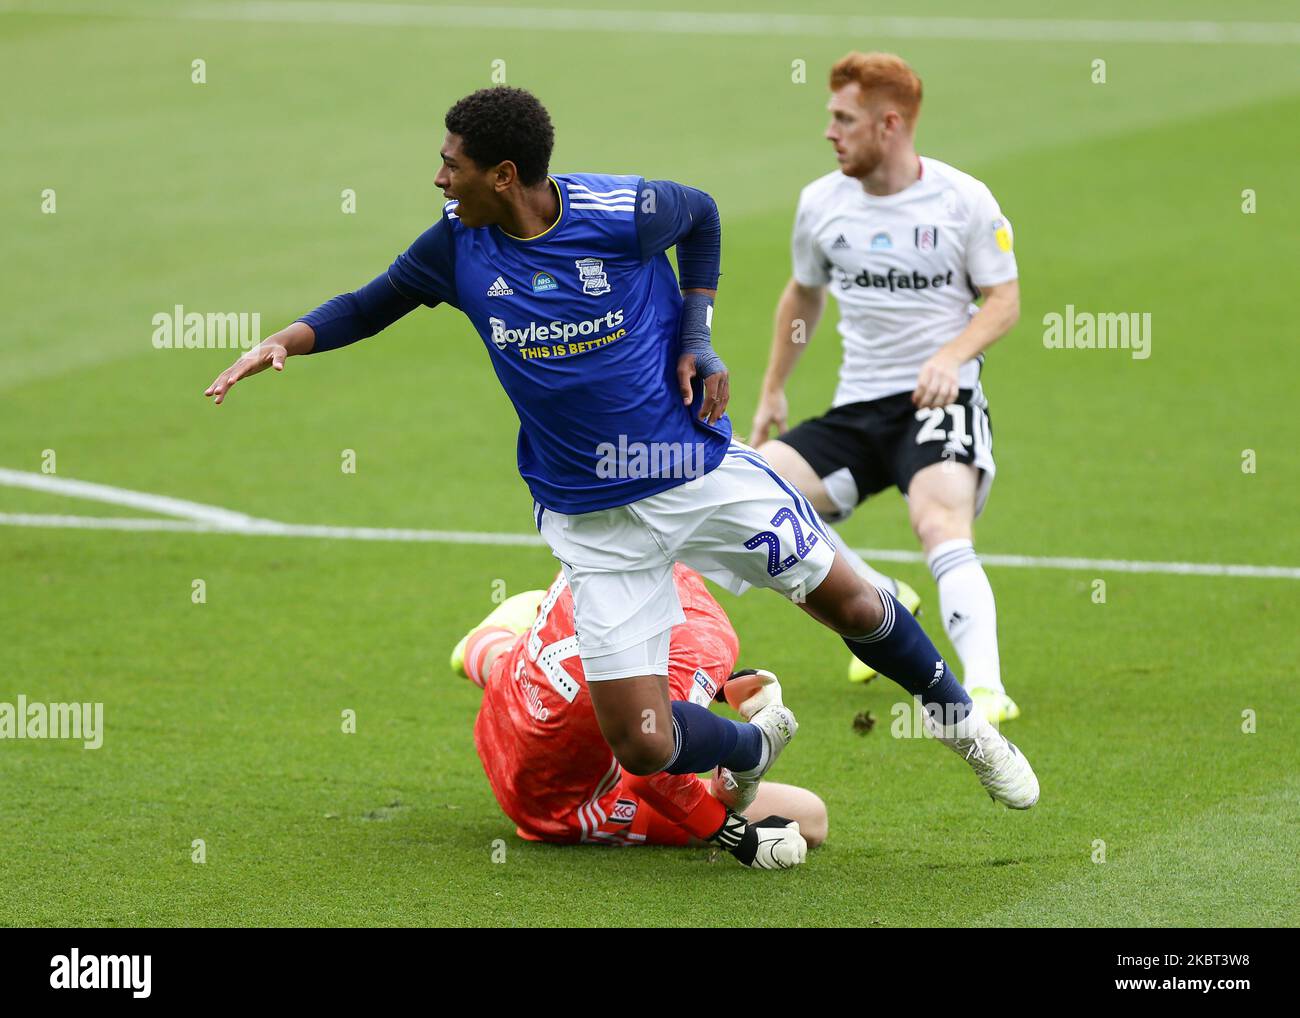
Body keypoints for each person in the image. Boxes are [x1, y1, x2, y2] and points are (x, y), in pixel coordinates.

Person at [204, 85, 1038, 809]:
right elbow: (371, 301)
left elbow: (702, 214)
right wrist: (287, 340)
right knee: (641, 742)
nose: (439, 177)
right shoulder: (455, 245)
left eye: (452, 163)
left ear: (503, 176)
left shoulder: (618, 213)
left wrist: (697, 335)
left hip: (691, 474)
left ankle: (965, 727)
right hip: (589, 520)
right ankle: (752, 746)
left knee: (851, 605)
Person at [750, 53, 1024, 723]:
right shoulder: (821, 203)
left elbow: (1004, 299)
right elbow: (803, 294)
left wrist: (952, 357)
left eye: (844, 119)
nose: (831, 132)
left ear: (890, 124)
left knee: (938, 521)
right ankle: (877, 590)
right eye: (831, 118)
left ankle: (985, 690)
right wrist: (773, 390)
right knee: (759, 495)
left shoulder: (963, 200)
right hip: (859, 407)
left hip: (940, 401)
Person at [457, 564, 826, 869]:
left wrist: (712, 685)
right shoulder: (707, 636)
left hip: (504, 714)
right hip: (556, 803)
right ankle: (749, 748)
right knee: (810, 814)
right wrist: (737, 836)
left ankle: (483, 645)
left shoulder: (595, 545)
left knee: (533, 652)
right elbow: (647, 769)